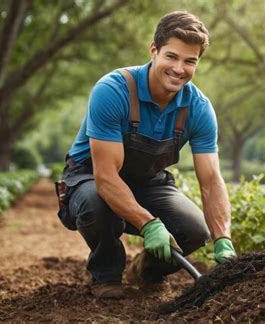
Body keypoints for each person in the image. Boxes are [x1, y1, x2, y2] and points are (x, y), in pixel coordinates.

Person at [55, 11, 236, 299]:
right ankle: (106, 272)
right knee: (96, 204)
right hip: (91, 177)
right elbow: (105, 178)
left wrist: (223, 240)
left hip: (148, 182)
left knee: (193, 229)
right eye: (172, 57)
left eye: (190, 61)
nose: (179, 69)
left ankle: (148, 271)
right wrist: (150, 224)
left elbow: (212, 181)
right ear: (154, 50)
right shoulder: (113, 91)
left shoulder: (199, 109)